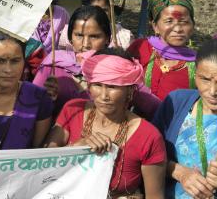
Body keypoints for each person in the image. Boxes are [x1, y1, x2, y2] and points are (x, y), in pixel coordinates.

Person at [45, 48, 167, 198]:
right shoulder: (72, 110)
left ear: (130, 90)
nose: (103, 96)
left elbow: (155, 196)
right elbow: (46, 162)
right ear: (88, 86)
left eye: (112, 87)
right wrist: (77, 147)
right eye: (97, 85)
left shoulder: (149, 136)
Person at [34, 6, 159, 120]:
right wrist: (46, 99)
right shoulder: (54, 65)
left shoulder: (120, 70)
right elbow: (31, 104)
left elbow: (155, 107)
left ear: (107, 39)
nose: (85, 44)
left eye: (94, 36)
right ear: (70, 37)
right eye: (79, 35)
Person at [153, 39, 217, 199]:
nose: (213, 91)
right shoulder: (176, 102)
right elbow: (146, 155)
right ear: (195, 75)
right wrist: (178, 171)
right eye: (205, 79)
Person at [128, 0, 196, 101]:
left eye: (184, 22)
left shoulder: (200, 63)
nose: (178, 29)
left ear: (193, 26)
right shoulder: (141, 47)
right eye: (169, 21)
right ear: (155, 26)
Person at [59, 0, 134, 50]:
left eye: (105, 10)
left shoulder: (124, 36)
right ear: (83, 9)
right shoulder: (69, 32)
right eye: (95, 9)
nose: (100, 14)